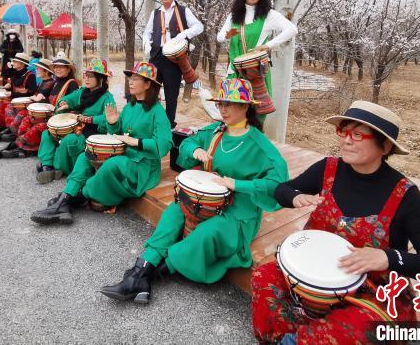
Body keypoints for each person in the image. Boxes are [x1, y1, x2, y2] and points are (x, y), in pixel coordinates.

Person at [251, 101, 420, 344]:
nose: (346, 140)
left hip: (373, 291)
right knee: (264, 277)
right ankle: (288, 337)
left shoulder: (405, 195)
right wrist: (294, 197)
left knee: (355, 328)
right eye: (344, 132)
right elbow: (282, 189)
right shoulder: (328, 168)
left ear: (385, 146)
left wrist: (388, 257)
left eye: (357, 134)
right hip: (315, 276)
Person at [99, 78, 289, 304]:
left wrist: (238, 184)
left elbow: (279, 185)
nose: (222, 109)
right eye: (220, 104)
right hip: (208, 200)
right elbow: (188, 143)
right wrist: (196, 149)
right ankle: (143, 268)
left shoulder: (259, 145)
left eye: (229, 104)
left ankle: (148, 276)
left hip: (240, 210)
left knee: (207, 234)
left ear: (246, 106)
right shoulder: (216, 131)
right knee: (173, 213)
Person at [30, 61, 172, 225]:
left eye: (135, 79)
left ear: (148, 84)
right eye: (130, 79)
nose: (130, 82)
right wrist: (112, 123)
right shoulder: (130, 106)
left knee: (111, 165)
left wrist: (136, 142)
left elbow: (164, 144)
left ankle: (72, 200)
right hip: (124, 154)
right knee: (86, 156)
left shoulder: (157, 111)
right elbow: (117, 132)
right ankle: (66, 196)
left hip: (142, 164)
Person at [216, 0, 297, 124]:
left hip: (256, 70)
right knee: (232, 109)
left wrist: (268, 45)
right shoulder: (234, 16)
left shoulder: (269, 15)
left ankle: (254, 135)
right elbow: (220, 37)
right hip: (235, 70)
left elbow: (292, 29)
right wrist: (228, 34)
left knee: (257, 111)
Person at [35, 58, 116, 184]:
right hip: (76, 126)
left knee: (70, 140)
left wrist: (83, 118)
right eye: (85, 75)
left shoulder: (107, 97)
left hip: (92, 132)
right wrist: (64, 104)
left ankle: (59, 167)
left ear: (100, 79)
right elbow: (67, 99)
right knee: (48, 133)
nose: (86, 79)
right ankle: (47, 165)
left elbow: (108, 118)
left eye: (91, 76)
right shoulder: (82, 92)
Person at [143, 0, 204, 127]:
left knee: (171, 95)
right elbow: (147, 32)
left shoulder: (183, 11)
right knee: (150, 92)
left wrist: (184, 34)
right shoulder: (155, 13)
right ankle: (150, 123)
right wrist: (147, 45)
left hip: (174, 60)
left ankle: (168, 125)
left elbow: (199, 26)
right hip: (156, 57)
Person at [0, 52, 39, 155]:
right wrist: (9, 86)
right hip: (14, 100)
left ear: (22, 64)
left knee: (8, 108)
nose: (13, 63)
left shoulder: (30, 76)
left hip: (25, 103)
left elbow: (31, 92)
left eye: (16, 61)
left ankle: (12, 133)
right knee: (0, 106)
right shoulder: (14, 74)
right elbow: (12, 85)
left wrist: (12, 93)